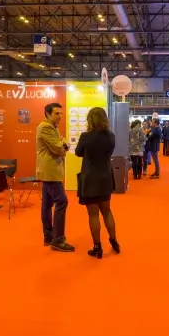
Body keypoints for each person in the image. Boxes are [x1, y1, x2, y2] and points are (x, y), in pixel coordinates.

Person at [75, 107, 120, 259]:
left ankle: (97, 247)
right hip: (106, 177)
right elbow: (109, 153)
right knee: (107, 211)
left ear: (90, 120)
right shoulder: (111, 136)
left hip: (90, 179)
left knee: (93, 214)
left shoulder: (85, 136)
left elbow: (78, 153)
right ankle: (114, 241)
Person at [36, 102, 74, 252]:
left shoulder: (53, 128)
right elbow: (60, 148)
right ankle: (57, 239)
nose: (60, 116)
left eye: (61, 113)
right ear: (48, 114)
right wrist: (63, 146)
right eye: (57, 113)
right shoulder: (45, 127)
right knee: (62, 201)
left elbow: (64, 143)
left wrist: (63, 145)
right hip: (50, 172)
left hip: (50, 171)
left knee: (47, 205)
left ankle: (48, 236)